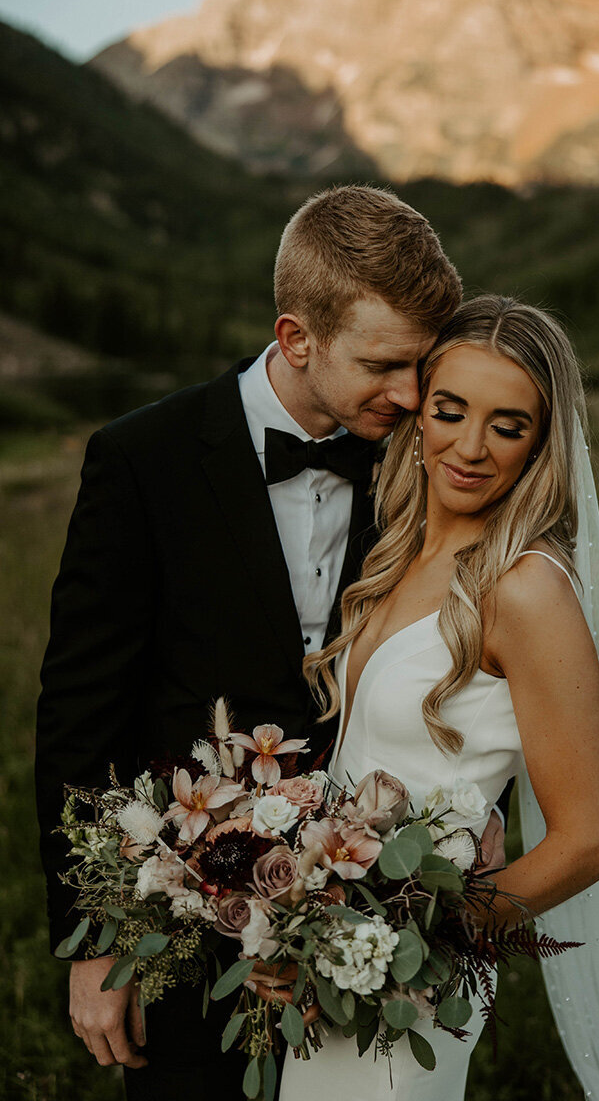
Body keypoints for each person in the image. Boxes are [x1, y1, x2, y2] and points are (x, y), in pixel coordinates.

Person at [36, 185, 509, 1100]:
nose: (413, 396)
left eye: (423, 366)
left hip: (376, 911)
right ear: (297, 339)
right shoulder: (144, 460)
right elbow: (79, 716)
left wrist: (483, 805)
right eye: (383, 365)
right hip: (182, 918)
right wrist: (94, 943)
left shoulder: (433, 458)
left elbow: (490, 651)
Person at [279, 295, 599, 1101]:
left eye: (507, 426)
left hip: (409, 980)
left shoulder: (528, 591)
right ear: (421, 411)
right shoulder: (396, 549)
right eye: (450, 411)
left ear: (542, 443)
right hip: (328, 954)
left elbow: (587, 839)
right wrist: (302, 929)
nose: (470, 448)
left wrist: (420, 943)